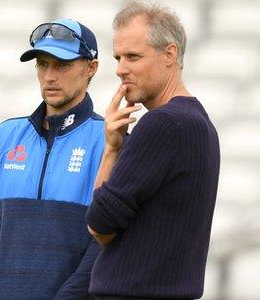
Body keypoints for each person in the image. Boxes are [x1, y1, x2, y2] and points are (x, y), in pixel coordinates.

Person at [85, 2, 220, 299]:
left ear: (170, 54)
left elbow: (100, 226)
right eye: (118, 57)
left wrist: (111, 149)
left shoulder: (163, 124)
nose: (120, 69)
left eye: (133, 56)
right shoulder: (201, 123)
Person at [0, 18, 103, 299]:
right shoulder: (4, 136)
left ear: (91, 68)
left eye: (62, 65)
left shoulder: (109, 140)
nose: (50, 76)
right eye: (42, 64)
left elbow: (104, 245)